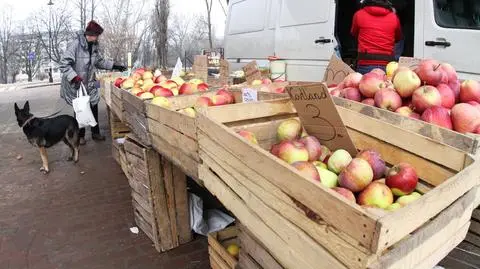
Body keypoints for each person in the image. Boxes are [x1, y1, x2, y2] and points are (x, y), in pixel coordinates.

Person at [59, 20, 126, 145]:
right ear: (90, 34)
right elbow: (64, 64)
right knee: (80, 109)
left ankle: (96, 133)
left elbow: (99, 61)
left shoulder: (94, 46)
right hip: (76, 83)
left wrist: (115, 66)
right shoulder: (75, 45)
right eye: (96, 36)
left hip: (89, 82)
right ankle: (81, 135)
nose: (97, 38)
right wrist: (74, 77)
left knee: (94, 104)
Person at [351, 0, 403, 74]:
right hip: (387, 67)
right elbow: (398, 38)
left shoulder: (359, 14)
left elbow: (354, 33)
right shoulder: (394, 17)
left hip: (365, 64)